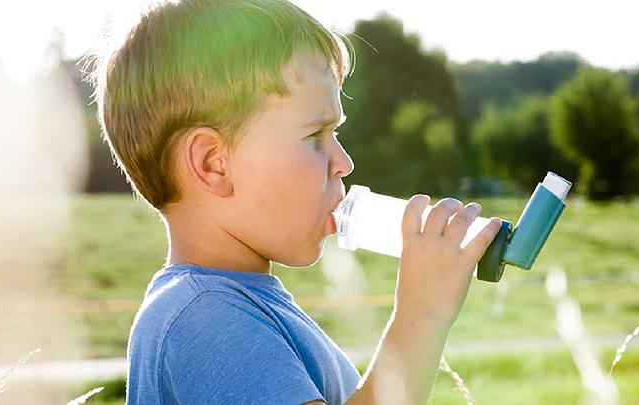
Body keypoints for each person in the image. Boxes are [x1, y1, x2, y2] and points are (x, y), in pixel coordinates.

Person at [91, 0, 502, 403]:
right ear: (214, 164)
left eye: (335, 135)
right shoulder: (204, 318)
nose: (344, 162)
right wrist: (421, 315)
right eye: (314, 136)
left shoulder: (234, 305)